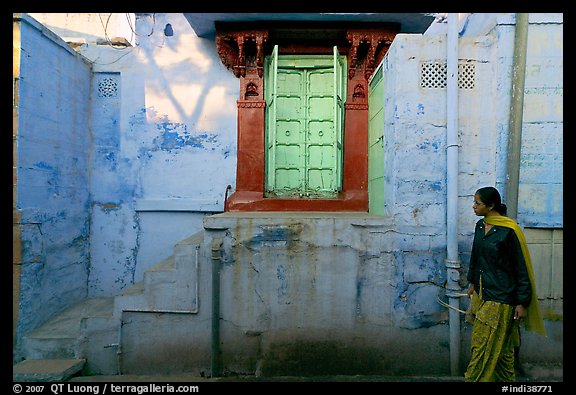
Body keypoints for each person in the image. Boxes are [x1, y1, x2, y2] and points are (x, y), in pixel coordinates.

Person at [464, 186, 546, 382]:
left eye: (478, 203)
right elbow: (476, 256)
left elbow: (521, 267)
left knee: (482, 346)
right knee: (503, 353)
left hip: (501, 297)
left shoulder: (509, 230)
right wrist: (472, 282)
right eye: (474, 202)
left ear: (491, 206)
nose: (473, 206)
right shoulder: (480, 226)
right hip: (482, 294)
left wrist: (522, 302)